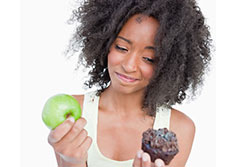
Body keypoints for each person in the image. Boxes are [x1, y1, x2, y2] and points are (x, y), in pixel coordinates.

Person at [47, 0, 212, 167]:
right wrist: (71, 162)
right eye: (121, 48)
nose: (129, 66)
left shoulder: (179, 128)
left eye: (149, 59)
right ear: (105, 43)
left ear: (168, 65)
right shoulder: (74, 114)